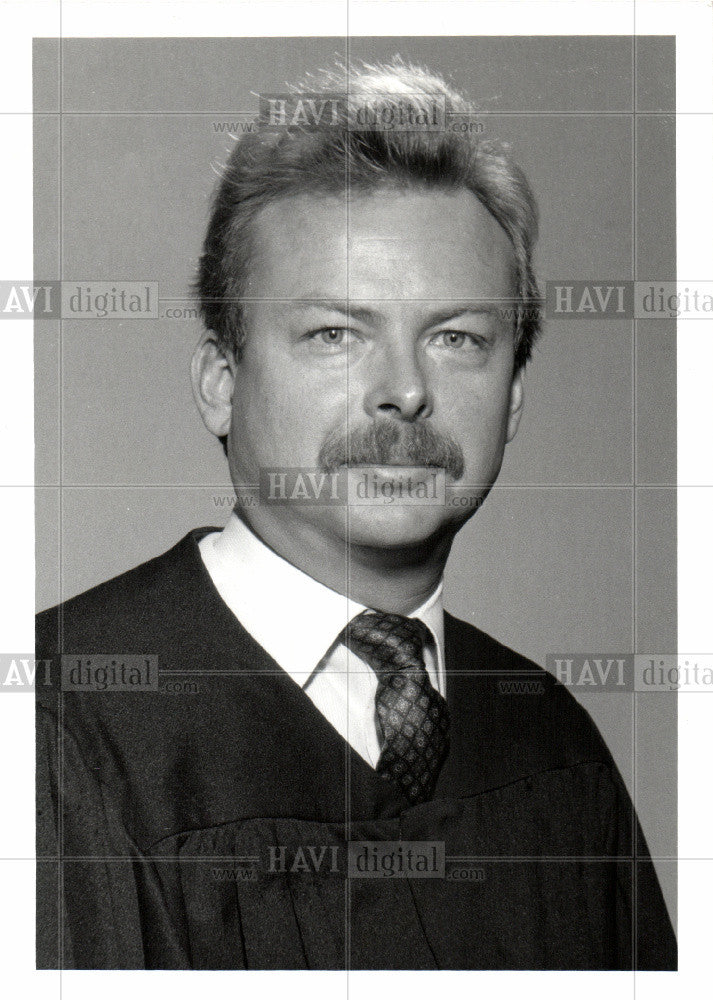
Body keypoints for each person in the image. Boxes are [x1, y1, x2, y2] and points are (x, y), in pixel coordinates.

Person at [36, 59, 676, 970]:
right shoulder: (62, 729)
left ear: (515, 399)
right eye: (335, 333)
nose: (406, 392)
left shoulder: (551, 741)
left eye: (457, 339)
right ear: (221, 383)